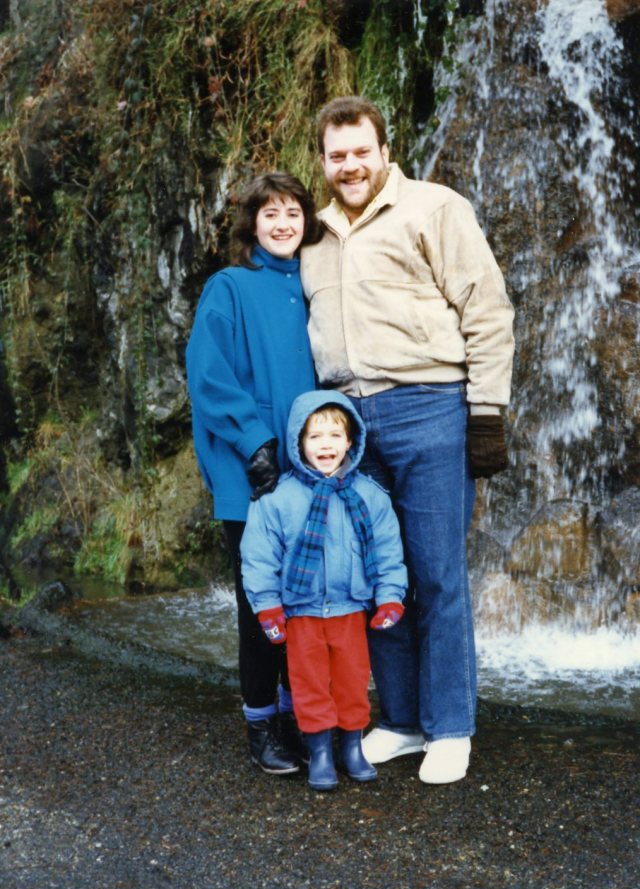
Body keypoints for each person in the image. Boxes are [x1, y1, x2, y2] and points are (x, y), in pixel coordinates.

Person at [300, 96, 515, 785]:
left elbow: (486, 308)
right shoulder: (316, 233)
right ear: (324, 162)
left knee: (437, 573)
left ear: (384, 151)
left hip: (429, 408)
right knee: (378, 578)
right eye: (337, 155)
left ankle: (451, 726)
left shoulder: (433, 208)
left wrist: (486, 414)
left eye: (361, 151)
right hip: (350, 424)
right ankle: (400, 720)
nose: (350, 165)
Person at [185, 172, 323, 776]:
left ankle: (296, 715)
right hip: (253, 471)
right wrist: (255, 442)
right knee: (259, 603)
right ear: (252, 226)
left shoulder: (319, 291)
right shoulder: (230, 287)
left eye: (293, 212)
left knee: (307, 600)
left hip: (313, 471)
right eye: (271, 214)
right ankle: (260, 724)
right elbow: (208, 376)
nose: (283, 223)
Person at [240, 390, 408, 790]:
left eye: (335, 435)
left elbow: (387, 550)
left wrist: (389, 596)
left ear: (351, 441)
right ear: (299, 443)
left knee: (352, 682)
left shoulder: (369, 495)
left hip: (351, 609)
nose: (326, 445)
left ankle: (351, 747)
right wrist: (267, 608)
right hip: (302, 613)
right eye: (315, 437)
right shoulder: (277, 499)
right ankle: (318, 752)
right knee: (309, 684)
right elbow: (259, 559)